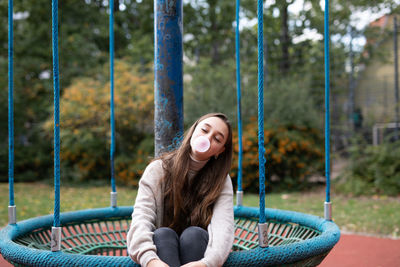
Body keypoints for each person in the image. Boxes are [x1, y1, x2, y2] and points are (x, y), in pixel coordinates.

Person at [127, 113, 235, 267]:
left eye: (217, 139)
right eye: (205, 130)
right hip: (160, 251)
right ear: (193, 130)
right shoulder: (158, 170)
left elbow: (223, 228)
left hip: (198, 250)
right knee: (163, 234)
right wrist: (151, 260)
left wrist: (206, 264)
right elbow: (141, 218)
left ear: (220, 151)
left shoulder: (221, 181)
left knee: (194, 234)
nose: (208, 138)